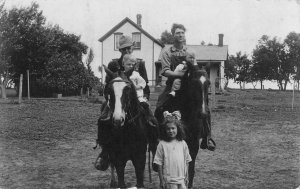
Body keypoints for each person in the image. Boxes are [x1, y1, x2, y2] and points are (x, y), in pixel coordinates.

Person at [154, 113, 191, 189]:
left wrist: (186, 176)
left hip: (181, 180)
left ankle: (207, 137)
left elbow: (187, 161)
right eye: (168, 129)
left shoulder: (183, 143)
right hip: (169, 181)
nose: (170, 131)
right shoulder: (162, 144)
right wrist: (161, 180)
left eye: (173, 128)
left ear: (178, 129)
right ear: (165, 130)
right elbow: (159, 163)